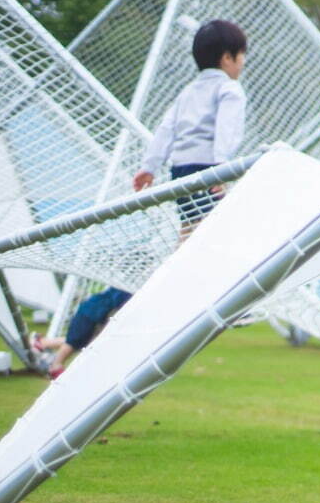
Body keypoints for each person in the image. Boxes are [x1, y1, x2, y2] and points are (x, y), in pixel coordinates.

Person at [132, 20, 248, 235]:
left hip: (181, 169)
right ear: (226, 58)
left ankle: (177, 264)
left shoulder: (189, 91)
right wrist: (222, 168)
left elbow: (167, 129)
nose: (243, 62)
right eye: (241, 55)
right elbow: (226, 130)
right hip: (208, 168)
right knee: (208, 230)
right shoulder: (229, 89)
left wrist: (149, 167)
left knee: (190, 225)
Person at [29, 286, 133, 379]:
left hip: (93, 313)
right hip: (90, 313)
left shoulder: (124, 290)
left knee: (83, 341)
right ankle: (55, 366)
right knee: (75, 341)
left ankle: (42, 343)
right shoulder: (124, 291)